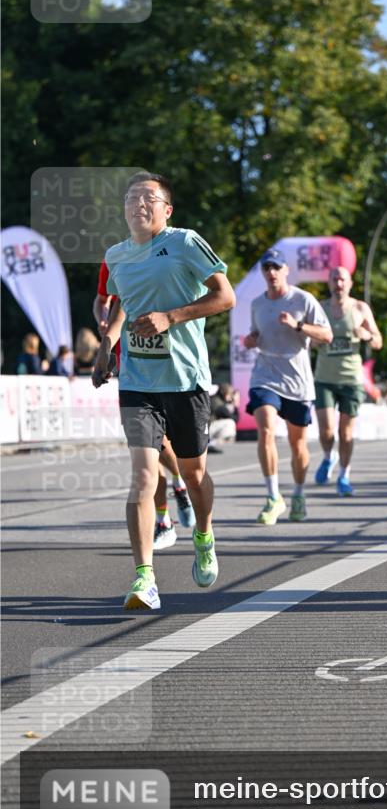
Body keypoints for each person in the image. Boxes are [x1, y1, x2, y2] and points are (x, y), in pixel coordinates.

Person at [92, 171, 235, 610]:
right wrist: (106, 347)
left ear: (166, 209)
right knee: (143, 475)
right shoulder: (116, 255)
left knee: (193, 474)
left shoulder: (186, 242)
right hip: (138, 382)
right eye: (132, 198)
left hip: (185, 379)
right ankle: (144, 578)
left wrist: (171, 318)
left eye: (149, 198)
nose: (139, 204)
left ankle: (204, 534)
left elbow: (225, 297)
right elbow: (122, 308)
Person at [93, 259, 197, 550]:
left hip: (170, 367)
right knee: (147, 455)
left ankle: (180, 482)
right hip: (133, 370)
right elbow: (103, 300)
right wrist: (103, 321)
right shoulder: (114, 259)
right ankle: (163, 522)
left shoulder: (171, 254)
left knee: (165, 445)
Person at [243, 247, 332, 524]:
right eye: (266, 268)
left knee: (297, 444)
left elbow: (326, 335)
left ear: (285, 271)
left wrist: (298, 326)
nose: (271, 273)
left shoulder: (303, 300)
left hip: (297, 378)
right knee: (266, 428)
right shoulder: (257, 304)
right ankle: (272, 496)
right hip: (266, 372)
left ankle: (298, 493)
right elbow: (255, 334)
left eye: (275, 268)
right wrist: (251, 340)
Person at [313, 266, 382, 496]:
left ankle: (344, 475)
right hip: (324, 377)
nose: (338, 284)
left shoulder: (360, 308)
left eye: (342, 279)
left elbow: (378, 341)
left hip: (351, 379)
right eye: (334, 279)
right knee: (326, 431)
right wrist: (316, 340)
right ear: (329, 283)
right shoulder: (320, 309)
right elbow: (307, 340)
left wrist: (367, 335)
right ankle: (328, 456)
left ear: (350, 283)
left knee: (346, 433)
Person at [208, 383, 240, 453]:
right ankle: (209, 444)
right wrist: (235, 404)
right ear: (225, 393)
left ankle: (209, 444)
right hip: (205, 430)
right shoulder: (217, 403)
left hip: (203, 429)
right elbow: (234, 418)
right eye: (230, 394)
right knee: (230, 423)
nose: (231, 397)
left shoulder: (216, 399)